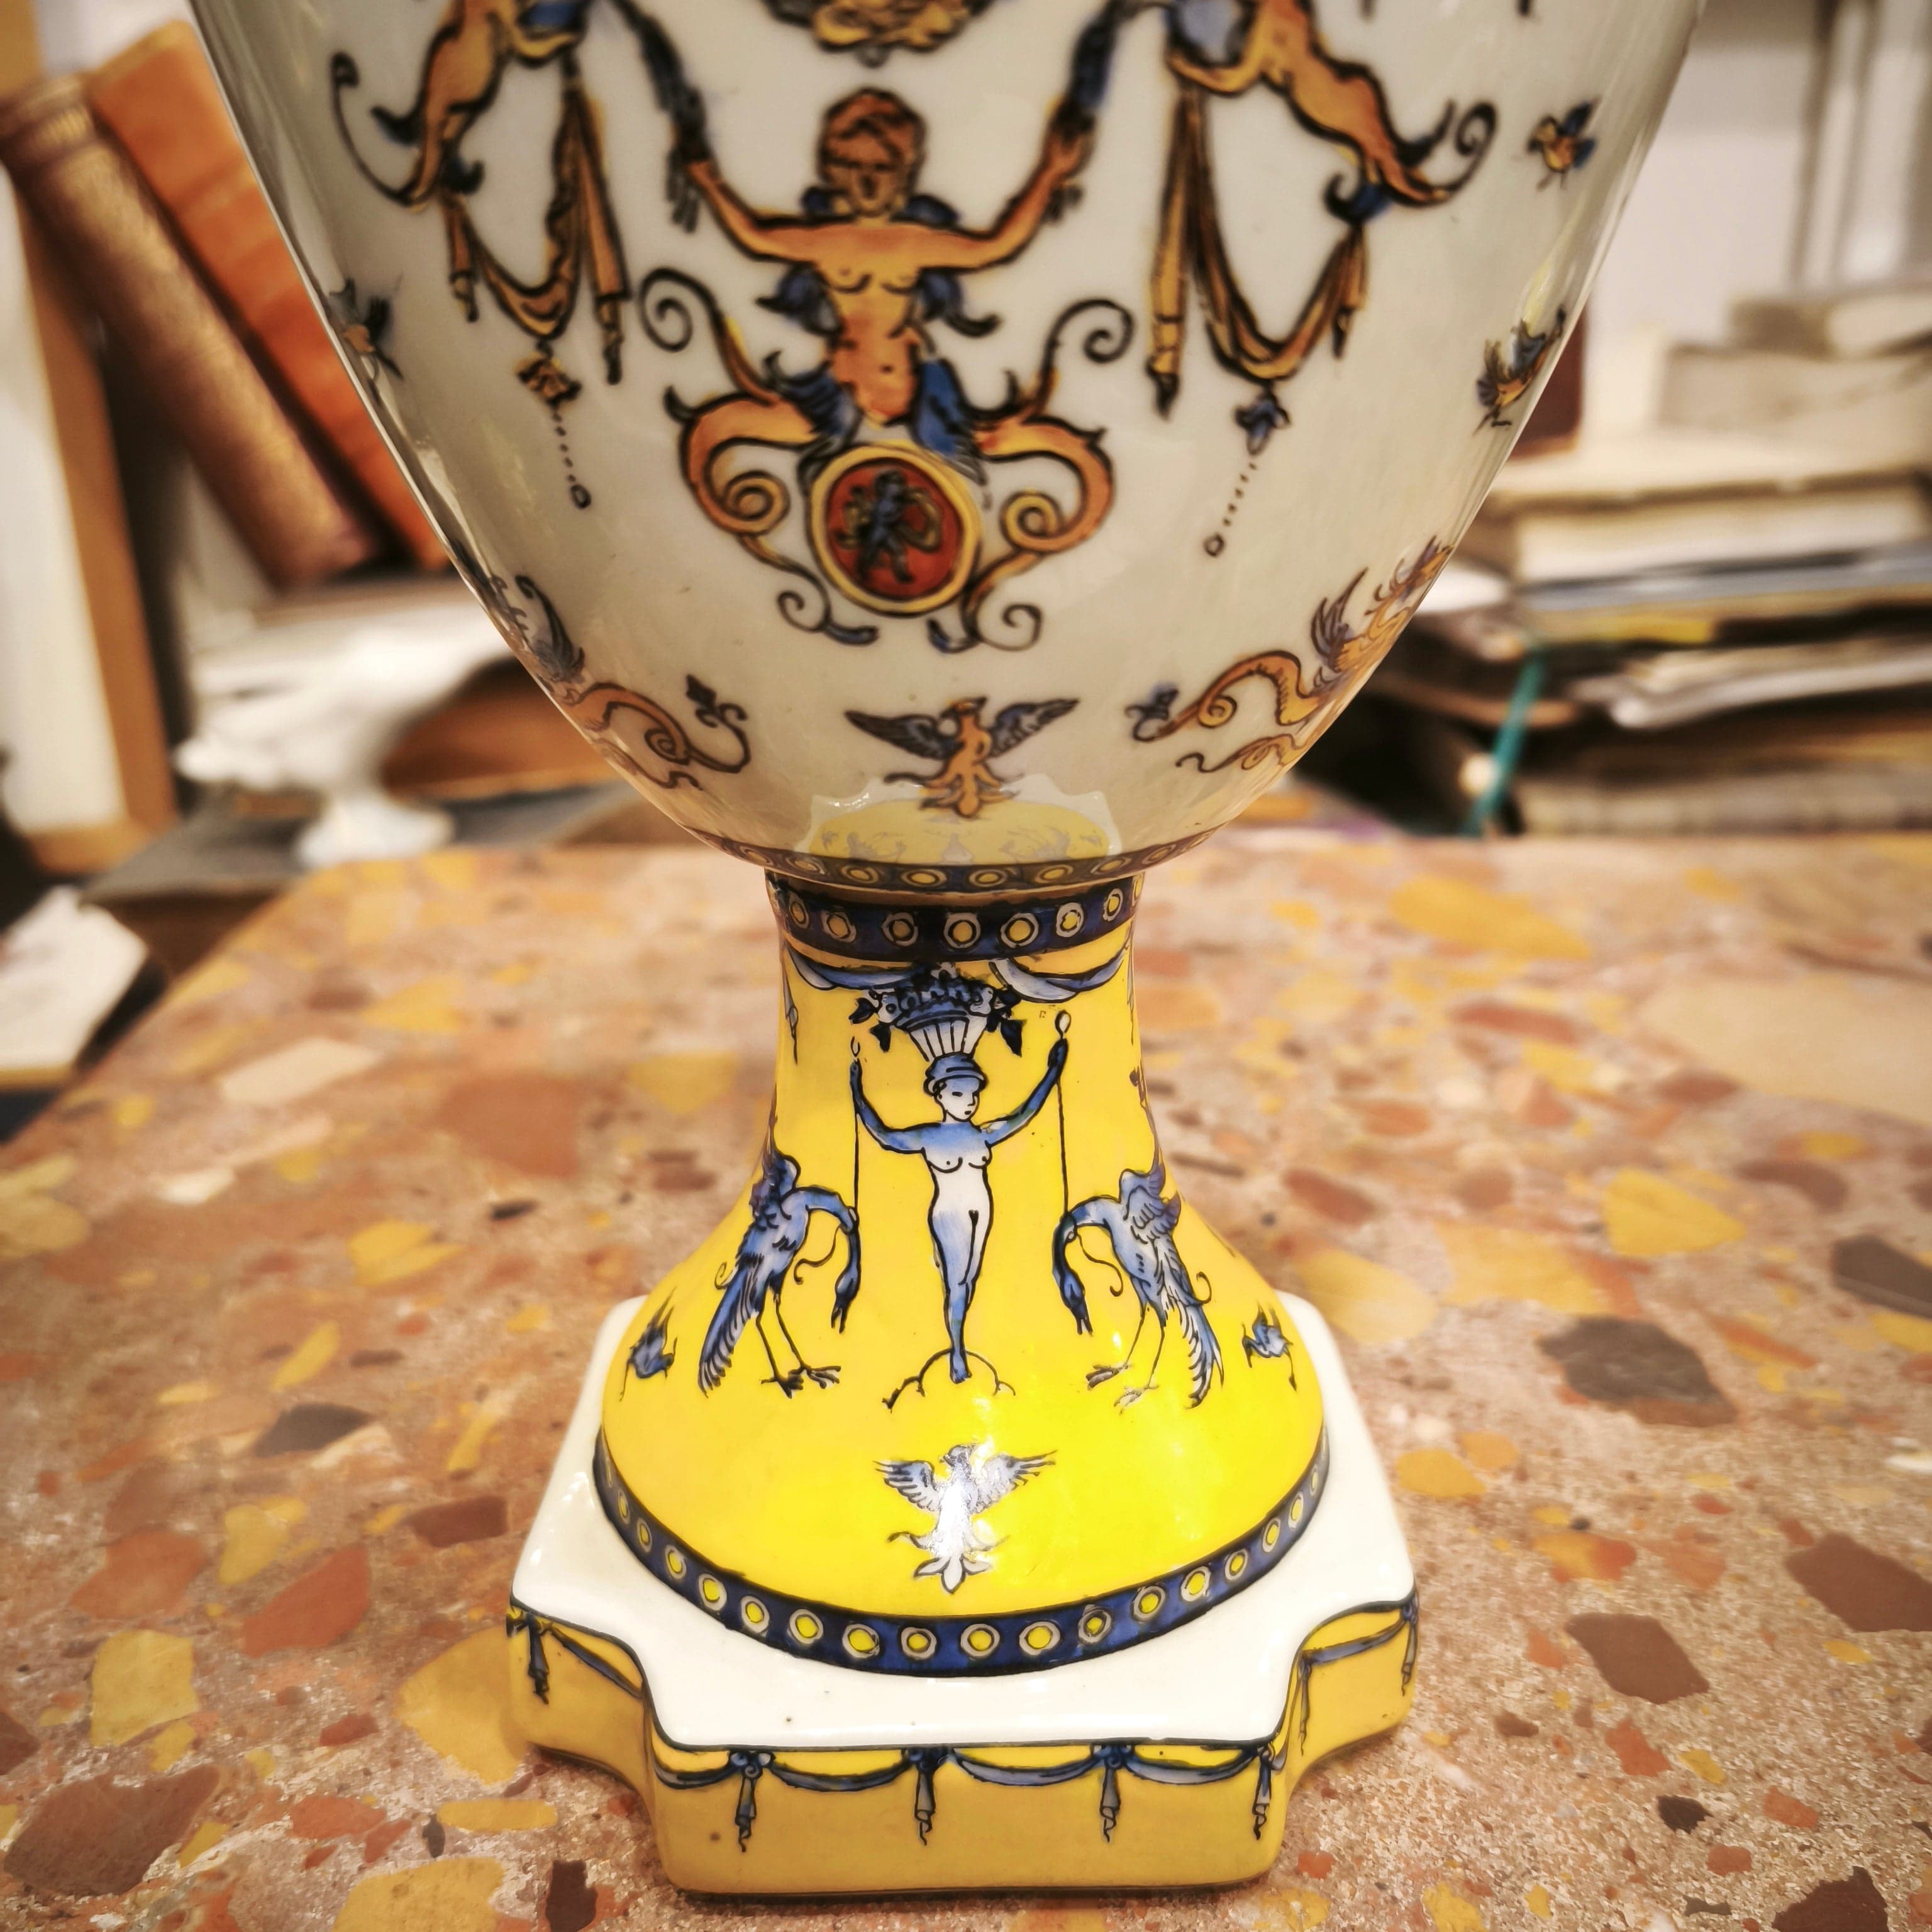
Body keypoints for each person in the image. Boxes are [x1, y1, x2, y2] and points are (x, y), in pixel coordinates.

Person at [852, 1036, 1067, 1384]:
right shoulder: (929, 1136)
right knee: (956, 1284)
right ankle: (958, 1352)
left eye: (973, 1095)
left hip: (981, 1209)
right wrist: (857, 1091)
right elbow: (885, 1136)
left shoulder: (983, 1134)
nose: (968, 1102)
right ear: (939, 1096)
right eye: (957, 1094)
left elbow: (1025, 1113)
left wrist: (1053, 1072)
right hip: (950, 1213)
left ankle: (960, 1339)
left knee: (970, 1280)